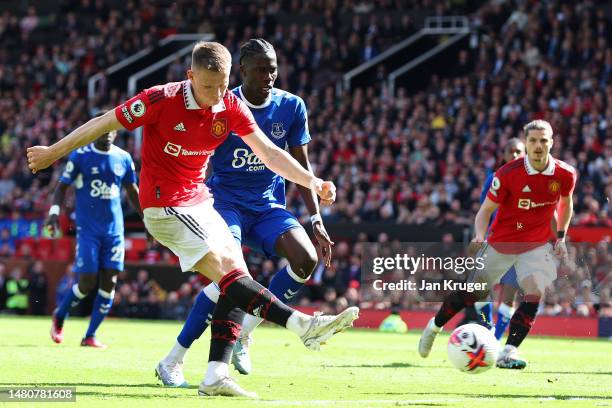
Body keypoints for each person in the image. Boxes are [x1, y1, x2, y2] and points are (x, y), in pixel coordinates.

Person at [27, 41, 359, 398]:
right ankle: (302, 324)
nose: (217, 95)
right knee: (231, 276)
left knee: (235, 278)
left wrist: (312, 181)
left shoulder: (229, 105)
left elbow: (269, 152)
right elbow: (102, 122)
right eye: (207, 87)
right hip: (163, 206)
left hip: (199, 201)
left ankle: (215, 372)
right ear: (190, 77)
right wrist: (52, 153)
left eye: (222, 85)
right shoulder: (160, 99)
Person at [156, 39, 334, 386]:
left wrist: (316, 219)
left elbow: (300, 165)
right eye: (261, 69)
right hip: (225, 204)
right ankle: (173, 359)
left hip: (268, 206)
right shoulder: (223, 104)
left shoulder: (291, 107)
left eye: (273, 68)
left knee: (305, 259)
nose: (269, 75)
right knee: (231, 279)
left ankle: (245, 333)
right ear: (243, 70)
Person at [418, 120, 576, 369]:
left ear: (552, 143)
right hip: (502, 243)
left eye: (543, 140)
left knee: (535, 290)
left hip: (534, 245)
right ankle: (434, 327)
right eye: (533, 140)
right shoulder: (507, 174)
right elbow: (484, 211)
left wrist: (561, 236)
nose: (538, 146)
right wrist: (479, 235)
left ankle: (508, 351)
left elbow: (566, 204)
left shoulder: (565, 174)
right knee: (475, 293)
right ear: (526, 142)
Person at [46, 130, 141, 348]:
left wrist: (147, 220)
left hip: (115, 232)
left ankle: (90, 335)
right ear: (95, 130)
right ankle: (60, 314)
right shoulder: (80, 156)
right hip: (88, 231)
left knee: (110, 282)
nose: (107, 133)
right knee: (87, 281)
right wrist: (53, 213)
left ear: (116, 133)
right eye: (103, 129)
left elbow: (132, 191)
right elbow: (61, 188)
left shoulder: (124, 158)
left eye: (111, 130)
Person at [471, 138, 525, 340]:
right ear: (503, 155)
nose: (514, 155)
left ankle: (494, 341)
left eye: (518, 151)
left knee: (509, 298)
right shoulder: (494, 179)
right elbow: (485, 211)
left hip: (519, 247)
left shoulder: (532, 183)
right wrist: (480, 236)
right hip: (494, 242)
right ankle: (487, 327)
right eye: (510, 151)